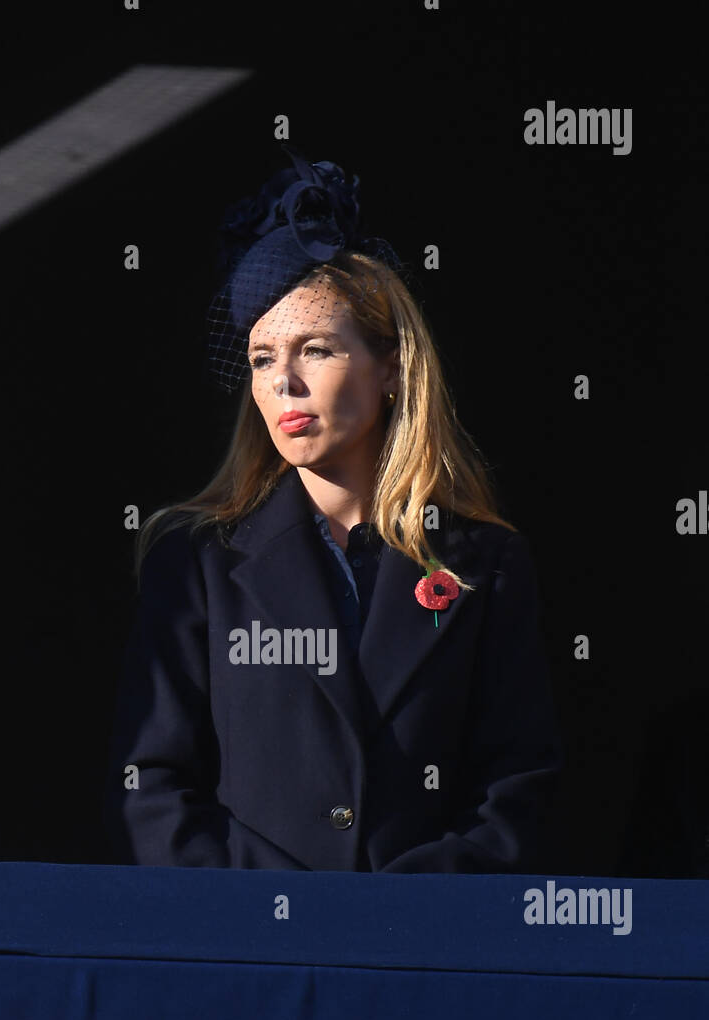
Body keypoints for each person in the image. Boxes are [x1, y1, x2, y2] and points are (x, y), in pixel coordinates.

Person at [103, 150, 564, 872]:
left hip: (419, 962)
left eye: (314, 349)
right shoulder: (196, 561)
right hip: (251, 960)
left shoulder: (486, 563)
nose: (283, 381)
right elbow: (150, 789)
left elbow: (520, 786)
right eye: (261, 358)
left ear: (391, 368)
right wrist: (285, 913)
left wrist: (402, 911)